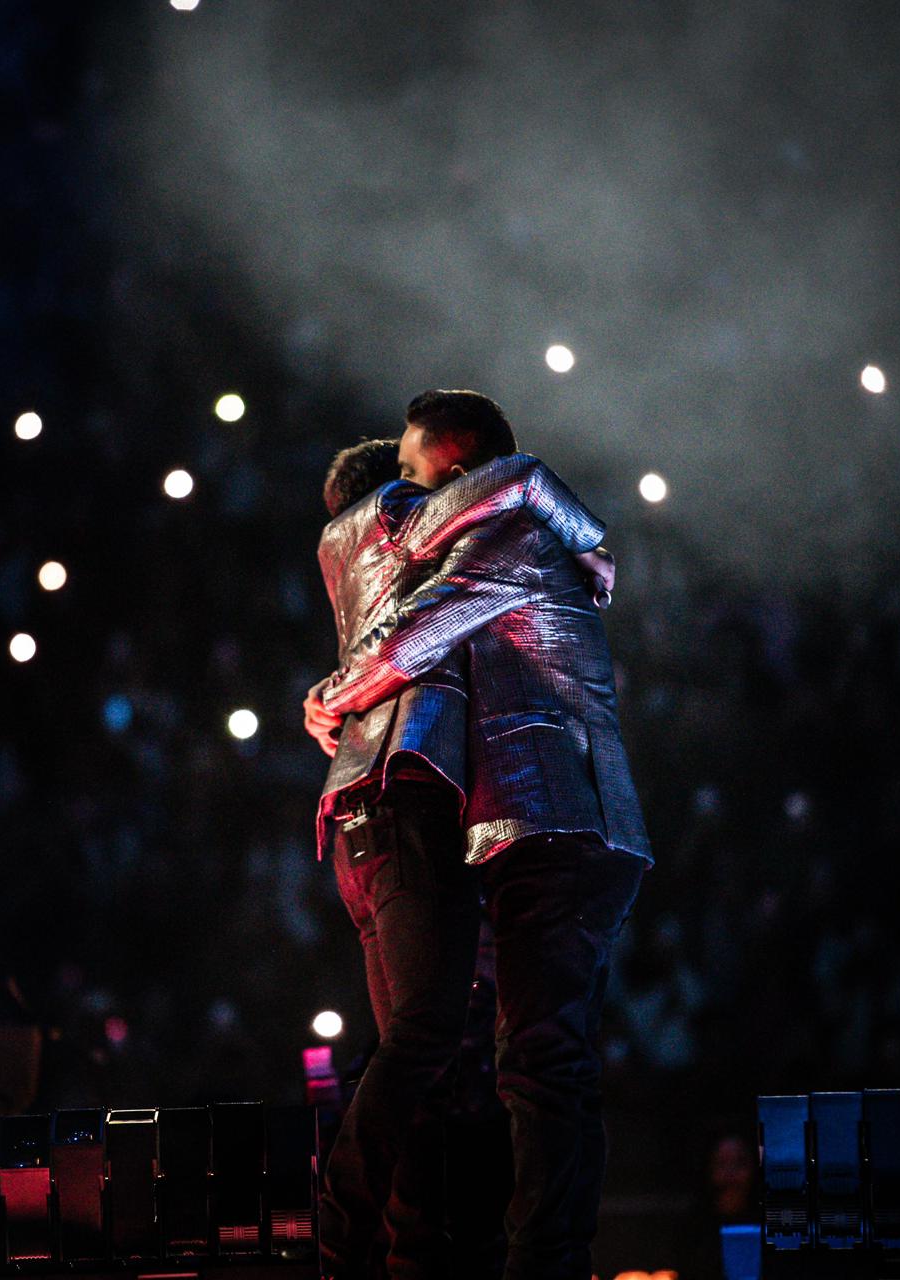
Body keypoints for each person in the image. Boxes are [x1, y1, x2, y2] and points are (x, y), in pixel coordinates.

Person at [319, 389, 652, 1280]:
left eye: (409, 472)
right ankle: (546, 1261)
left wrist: (330, 696)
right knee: (539, 1065)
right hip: (544, 828)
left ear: (458, 474)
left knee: (542, 1067)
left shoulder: (508, 535)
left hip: (562, 824)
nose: (398, 491)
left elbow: (417, 633)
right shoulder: (526, 522)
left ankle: (545, 1268)